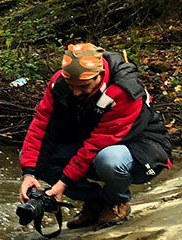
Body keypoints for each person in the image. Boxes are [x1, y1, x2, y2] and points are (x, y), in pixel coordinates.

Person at [18, 43, 172, 229]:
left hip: (142, 149)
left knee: (109, 160)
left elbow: (96, 144)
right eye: (71, 86)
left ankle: (117, 202)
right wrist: (29, 173)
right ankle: (94, 203)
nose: (75, 92)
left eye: (83, 86)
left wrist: (63, 183)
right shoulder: (59, 83)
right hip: (93, 144)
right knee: (32, 160)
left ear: (100, 76)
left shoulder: (124, 90)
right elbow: (41, 126)